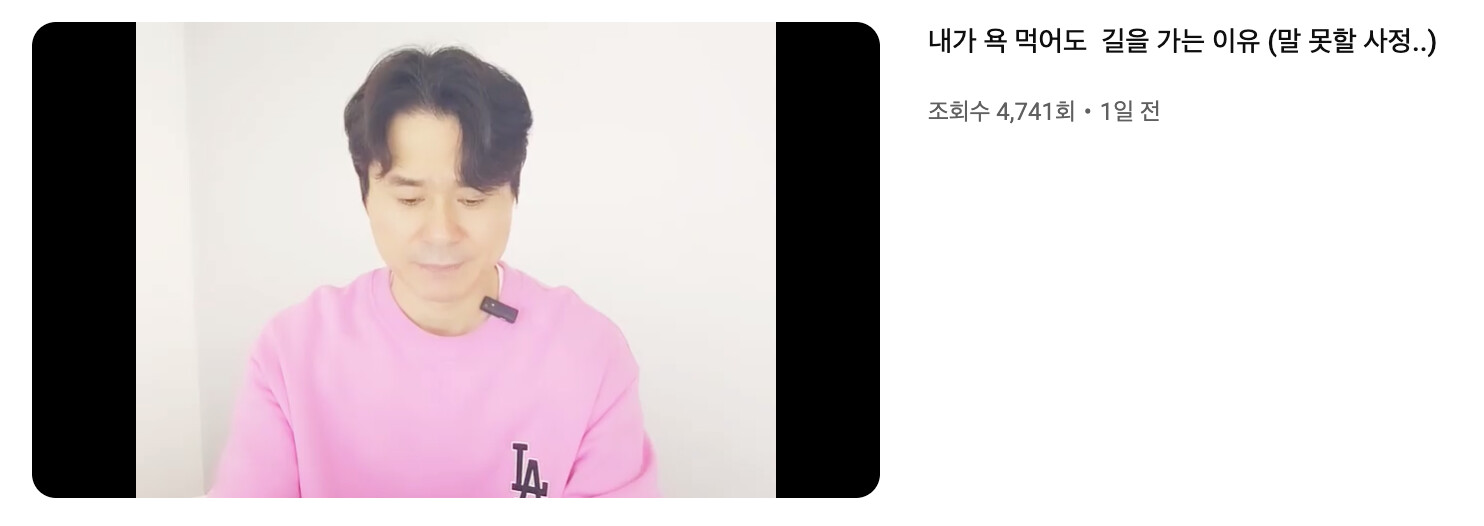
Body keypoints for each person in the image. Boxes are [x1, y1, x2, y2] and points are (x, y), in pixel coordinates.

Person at [206, 46, 660, 498]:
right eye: (410, 199)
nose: (441, 232)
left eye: (472, 199)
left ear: (513, 195)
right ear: (366, 197)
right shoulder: (291, 354)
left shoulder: (589, 356)